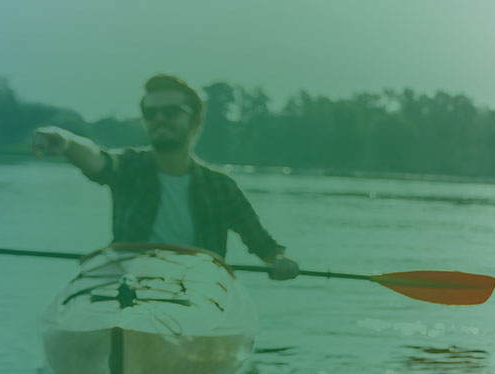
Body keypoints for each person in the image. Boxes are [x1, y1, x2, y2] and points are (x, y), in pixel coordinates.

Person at [29, 74, 300, 280]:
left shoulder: (222, 187)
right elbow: (98, 160)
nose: (159, 119)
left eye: (171, 112)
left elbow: (265, 246)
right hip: (129, 283)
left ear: (196, 121)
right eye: (151, 113)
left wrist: (280, 260)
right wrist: (66, 142)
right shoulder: (129, 167)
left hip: (198, 290)